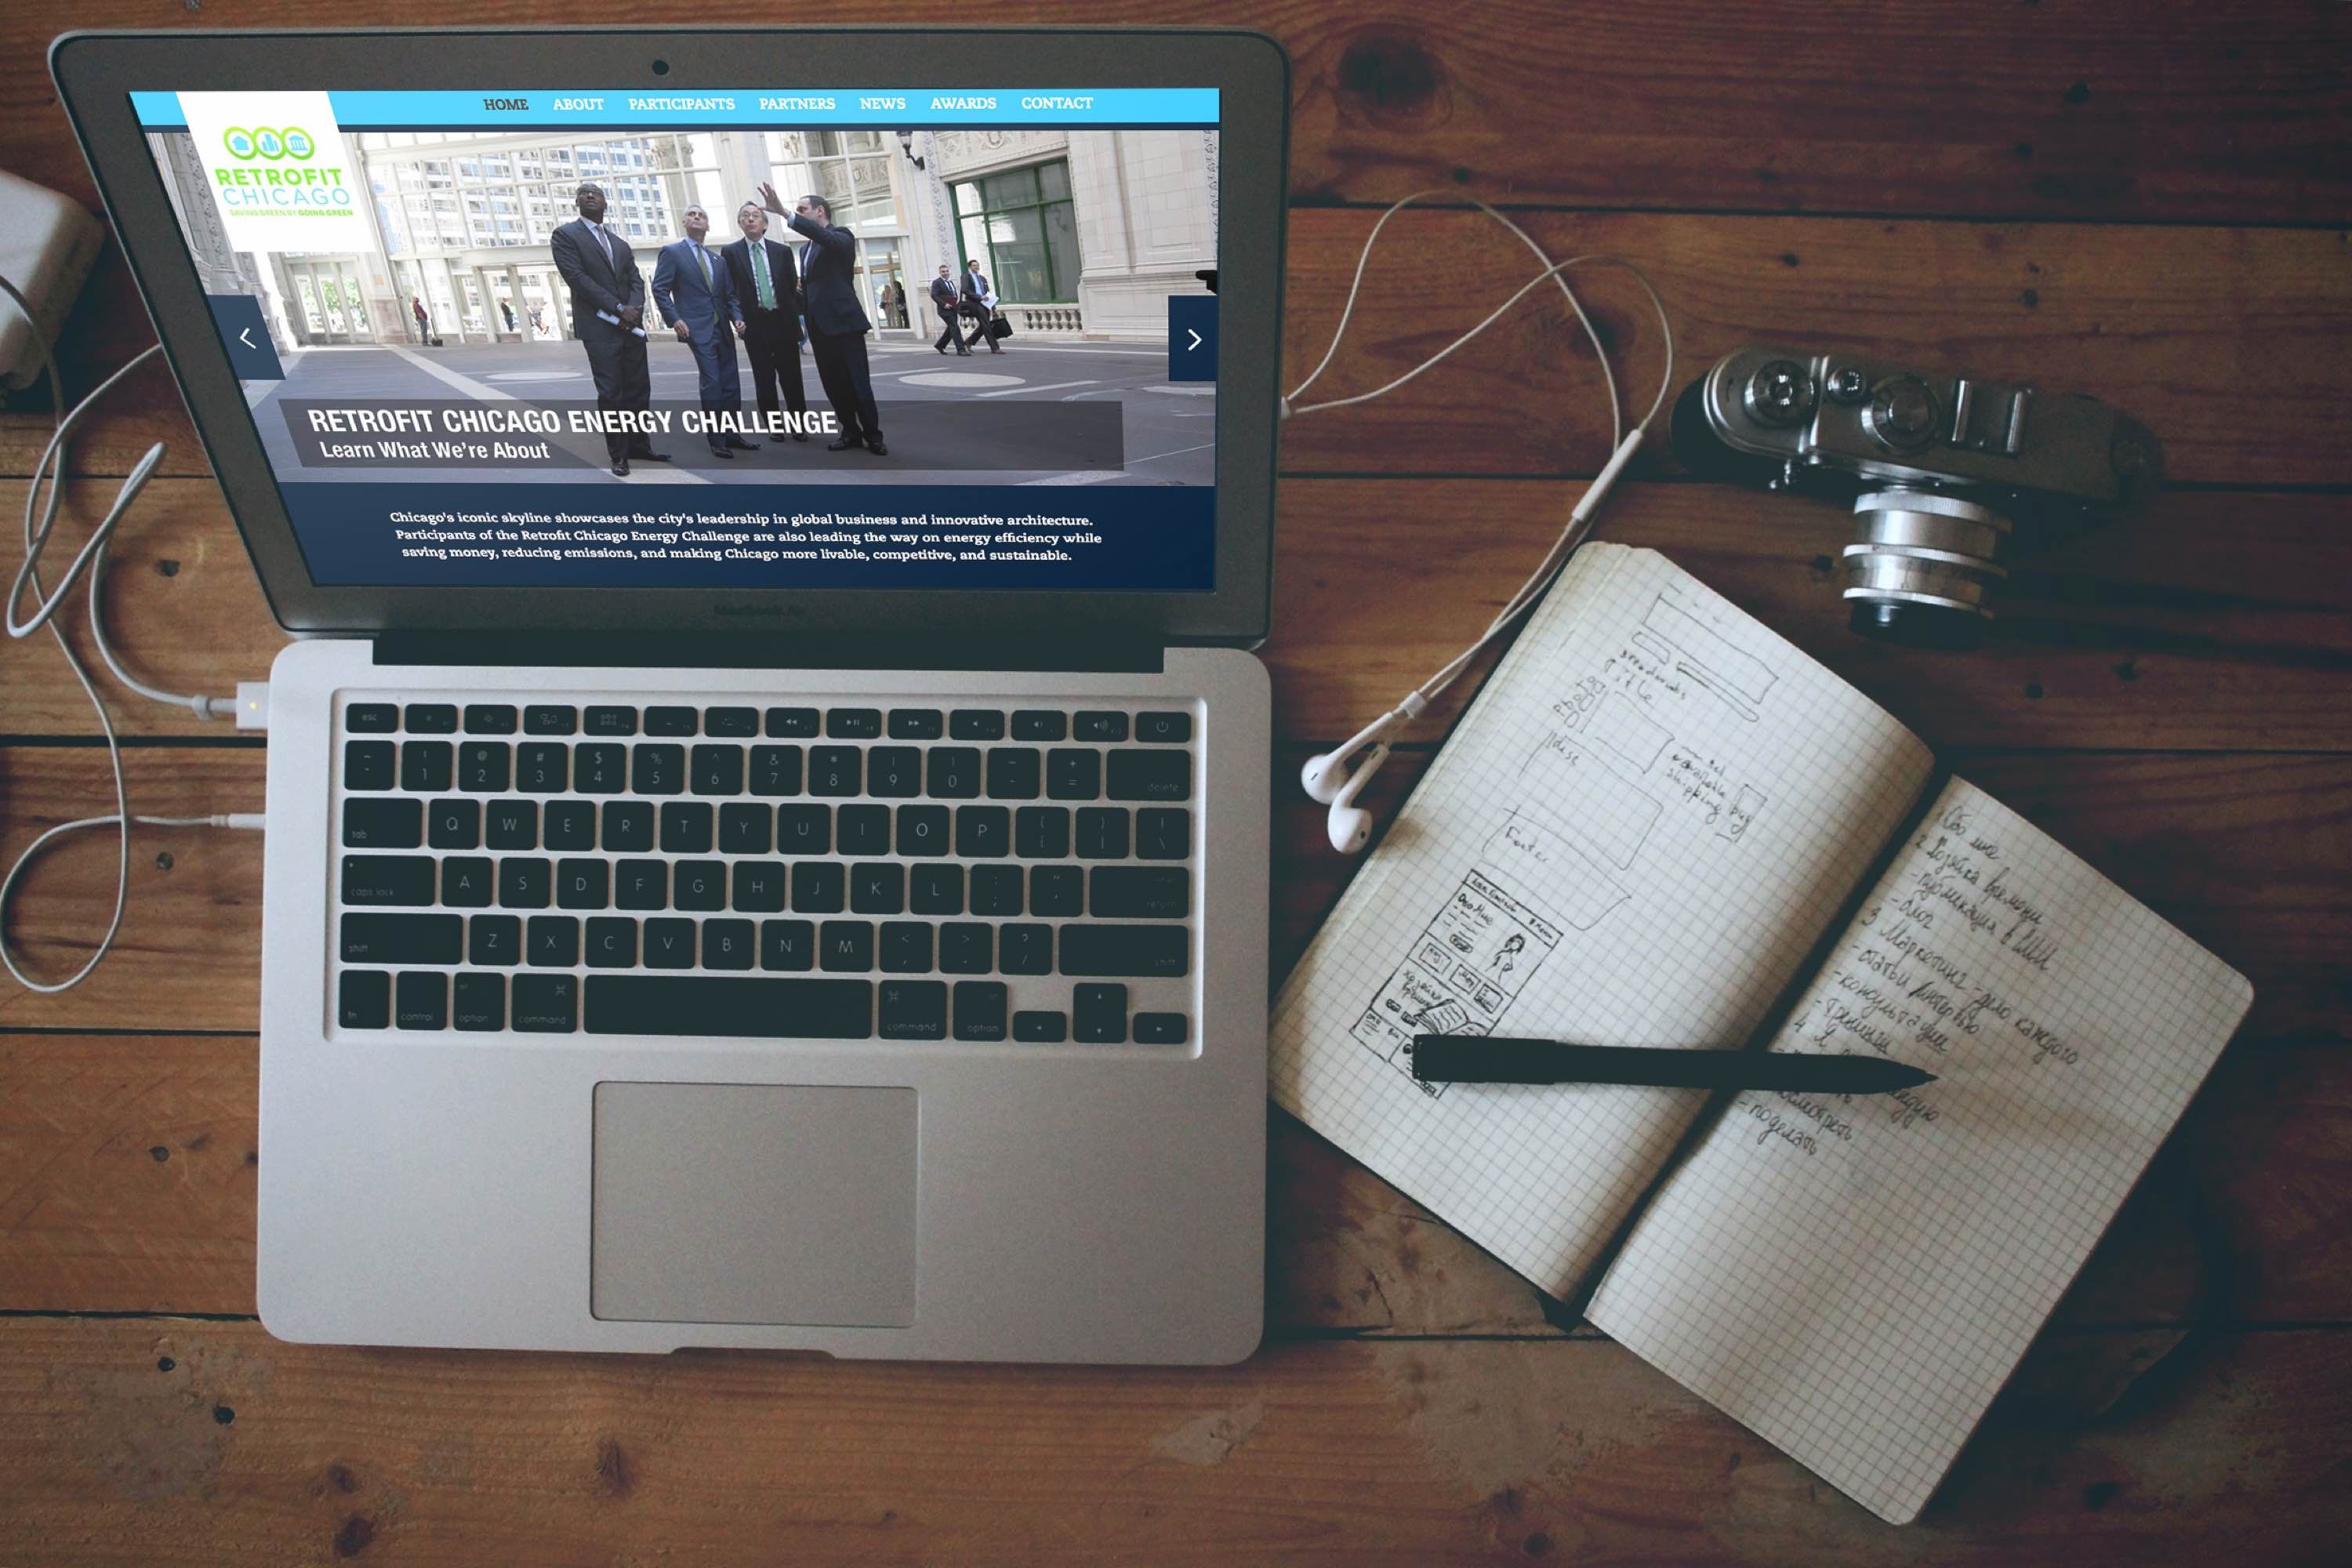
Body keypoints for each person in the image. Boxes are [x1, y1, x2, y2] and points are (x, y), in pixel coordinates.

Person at [549, 182, 669, 477]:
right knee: (612, 392)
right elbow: (577, 278)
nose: (590, 196)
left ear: (606, 204)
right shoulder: (565, 235)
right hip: (599, 329)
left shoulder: (619, 243)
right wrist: (618, 308)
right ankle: (619, 453)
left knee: (639, 389)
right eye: (584, 193)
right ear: (577, 202)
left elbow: (636, 281)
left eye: (597, 194)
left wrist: (635, 308)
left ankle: (641, 445)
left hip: (630, 327)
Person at [759, 182, 884, 456]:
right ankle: (849, 430)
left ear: (820, 211)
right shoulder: (804, 251)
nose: (799, 212)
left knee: (857, 381)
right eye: (797, 210)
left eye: (803, 209)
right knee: (833, 383)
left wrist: (783, 212)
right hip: (819, 327)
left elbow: (825, 239)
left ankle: (873, 435)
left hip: (845, 323)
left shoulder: (841, 235)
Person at [652, 204, 753, 459]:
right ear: (684, 223)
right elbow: (660, 290)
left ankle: (733, 434)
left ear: (708, 226)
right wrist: (675, 319)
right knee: (713, 382)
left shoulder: (718, 260)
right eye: (692, 215)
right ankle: (717, 439)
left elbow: (729, 295)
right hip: (696, 328)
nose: (697, 218)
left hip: (723, 328)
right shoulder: (672, 253)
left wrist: (738, 318)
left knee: (731, 384)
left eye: (702, 216)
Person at [720, 200, 811, 444]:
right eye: (745, 216)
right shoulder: (730, 252)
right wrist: (736, 318)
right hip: (754, 323)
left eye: (755, 215)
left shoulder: (781, 252)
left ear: (765, 224)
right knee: (764, 377)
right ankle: (775, 426)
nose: (750, 219)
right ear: (740, 223)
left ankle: (799, 425)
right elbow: (730, 289)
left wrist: (796, 320)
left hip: (783, 321)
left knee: (791, 376)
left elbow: (792, 289)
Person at [960, 257, 1003, 355]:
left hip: (985, 304)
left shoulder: (982, 278)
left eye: (977, 265)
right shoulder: (966, 276)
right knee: (986, 325)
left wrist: (993, 307)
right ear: (970, 267)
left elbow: (987, 293)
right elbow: (965, 290)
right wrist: (979, 297)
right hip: (975, 303)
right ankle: (995, 348)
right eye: (974, 266)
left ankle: (969, 341)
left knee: (985, 325)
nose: (976, 267)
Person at [929, 263, 970, 356]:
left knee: (951, 328)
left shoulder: (950, 282)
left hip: (953, 308)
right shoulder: (937, 282)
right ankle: (961, 350)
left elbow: (953, 294)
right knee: (955, 328)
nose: (945, 273)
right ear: (940, 272)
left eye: (947, 271)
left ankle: (940, 345)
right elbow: (934, 295)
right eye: (943, 272)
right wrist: (944, 304)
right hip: (944, 310)